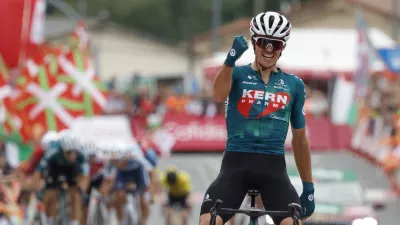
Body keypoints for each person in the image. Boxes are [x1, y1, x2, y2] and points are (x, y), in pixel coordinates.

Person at [199, 11, 315, 225]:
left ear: (283, 48)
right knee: (209, 220)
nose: (269, 50)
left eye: (276, 45)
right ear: (254, 43)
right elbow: (217, 94)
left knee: (293, 222)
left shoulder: (294, 84)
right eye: (264, 42)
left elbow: (300, 139)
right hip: (235, 165)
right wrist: (230, 60)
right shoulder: (237, 74)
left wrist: (308, 186)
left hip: (274, 170)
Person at [36, 130, 89, 225]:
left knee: (76, 194)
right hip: (55, 167)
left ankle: (74, 222)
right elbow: (39, 171)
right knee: (51, 193)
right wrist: (39, 188)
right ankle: (49, 220)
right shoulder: (53, 150)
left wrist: (82, 189)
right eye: (68, 153)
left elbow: (85, 175)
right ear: (62, 149)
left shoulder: (82, 153)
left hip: (72, 168)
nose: (71, 156)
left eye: (73, 153)